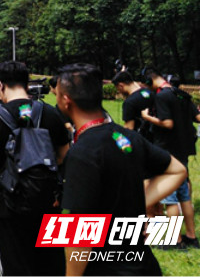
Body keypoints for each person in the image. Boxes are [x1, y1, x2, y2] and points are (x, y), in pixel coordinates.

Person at [56, 63, 187, 274]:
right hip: (144, 266)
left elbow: (81, 232)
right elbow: (178, 170)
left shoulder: (82, 152)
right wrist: (135, 204)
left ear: (65, 99)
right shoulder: (129, 136)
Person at [0, 60, 70, 276]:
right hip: (47, 199)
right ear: (27, 85)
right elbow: (64, 155)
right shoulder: (50, 113)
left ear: (0, 85)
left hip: (7, 203)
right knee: (50, 263)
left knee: (14, 263)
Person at [140, 67, 198, 248]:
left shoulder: (162, 97)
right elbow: (197, 117)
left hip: (167, 153)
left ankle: (176, 240)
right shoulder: (181, 94)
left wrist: (147, 117)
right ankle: (191, 236)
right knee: (184, 197)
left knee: (170, 199)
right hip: (183, 151)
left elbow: (167, 123)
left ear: (150, 82)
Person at [112, 70, 155, 134]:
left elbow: (129, 129)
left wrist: (115, 135)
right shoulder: (148, 92)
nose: (119, 91)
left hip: (141, 138)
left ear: (121, 85)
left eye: (117, 88)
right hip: (154, 134)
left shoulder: (129, 102)